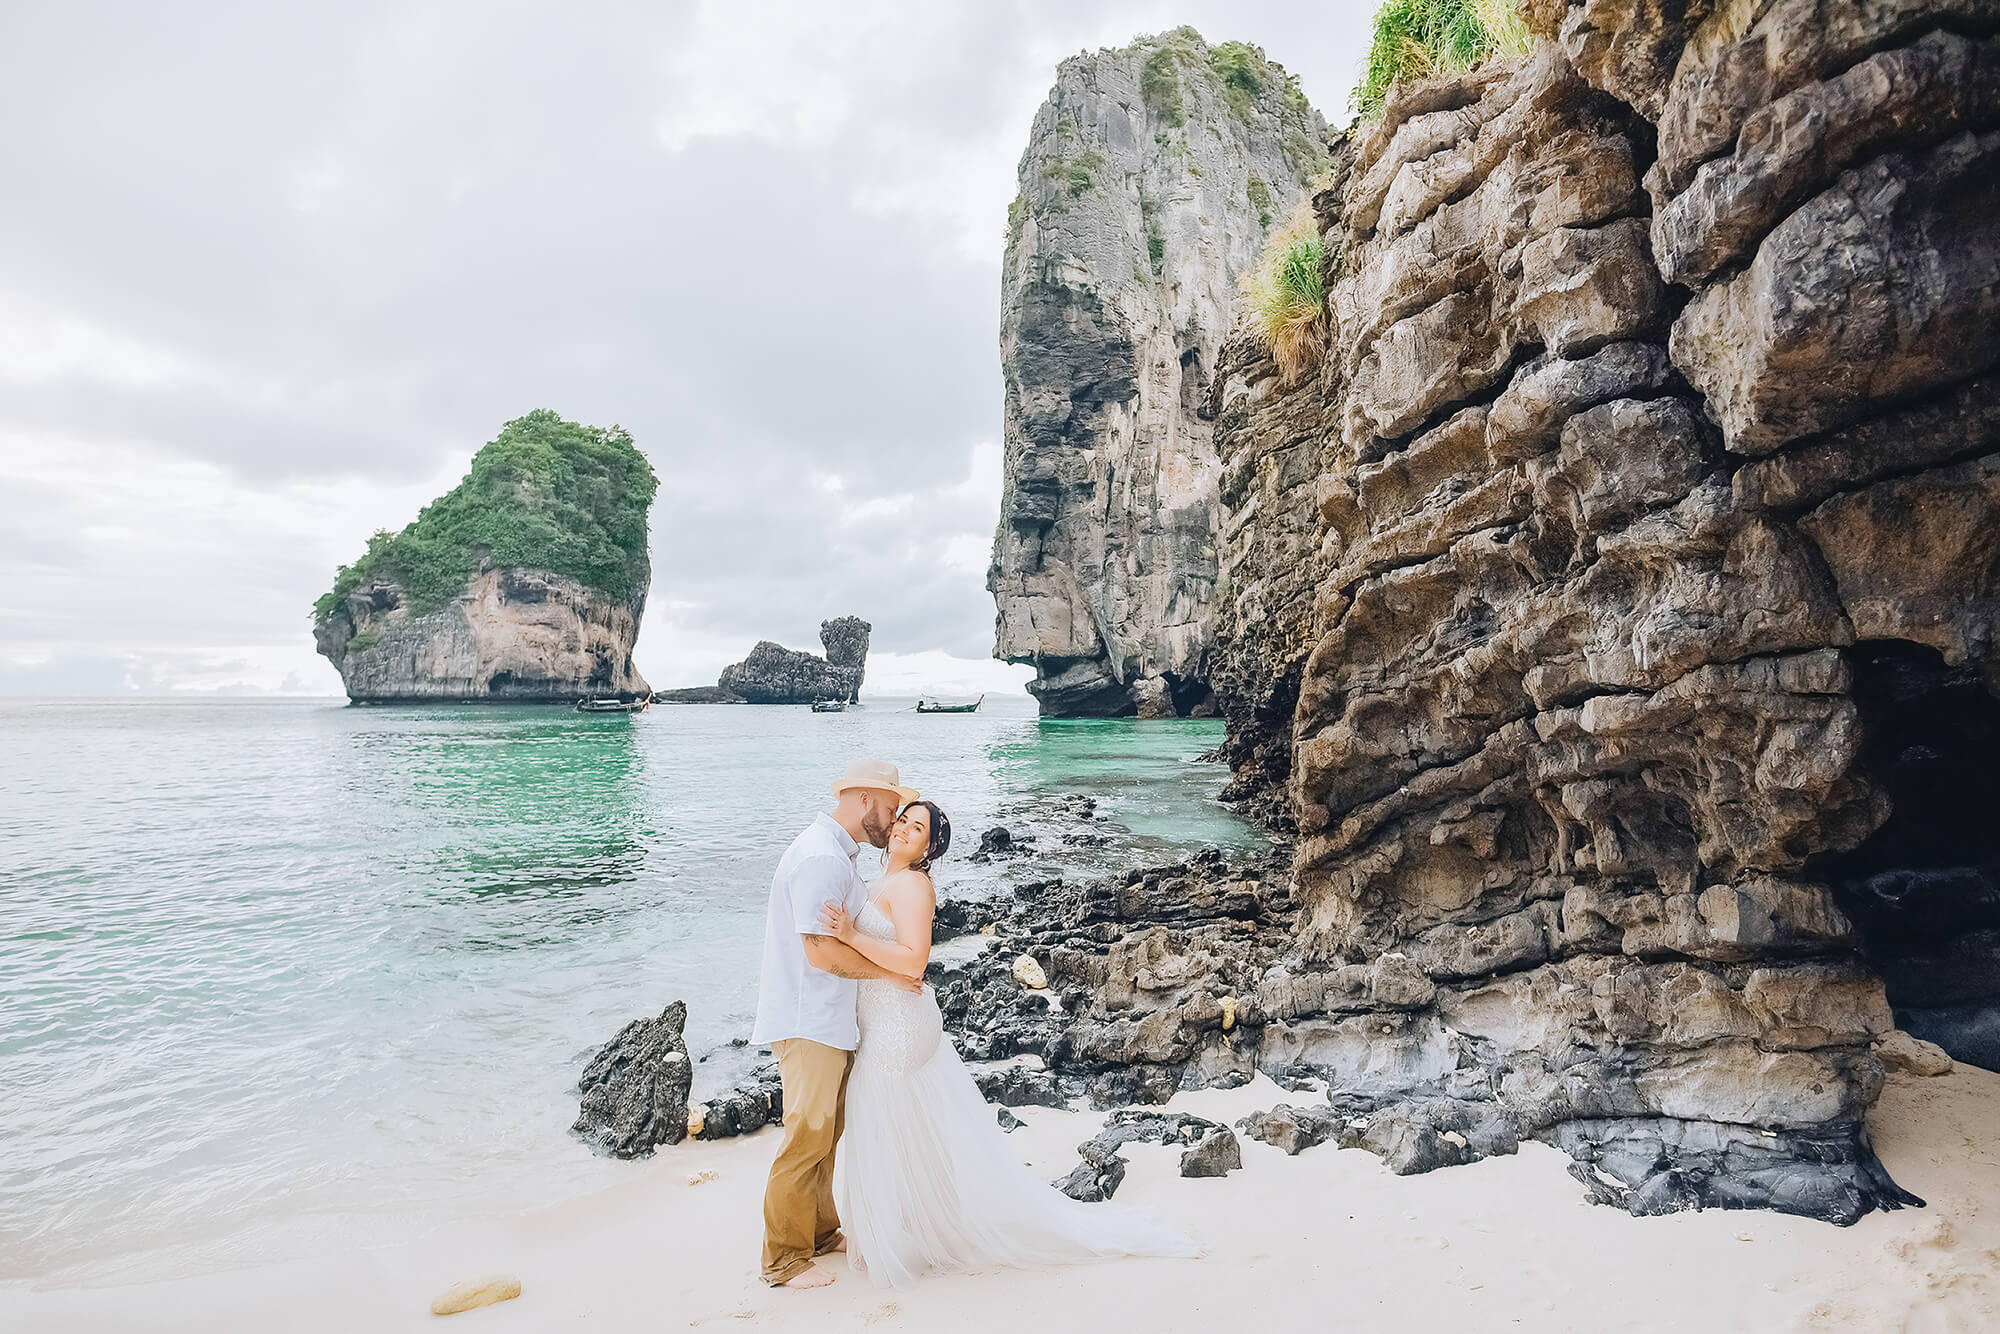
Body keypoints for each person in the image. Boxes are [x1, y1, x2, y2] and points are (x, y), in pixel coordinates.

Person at [818, 798, 1199, 1288]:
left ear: (930, 847)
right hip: (882, 1018)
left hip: (898, 1024)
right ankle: (910, 1227)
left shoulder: (912, 885)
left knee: (886, 1122)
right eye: (903, 821)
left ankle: (902, 1236)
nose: (904, 831)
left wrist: (849, 933)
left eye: (918, 828)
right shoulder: (881, 881)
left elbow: (914, 962)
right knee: (900, 1126)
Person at [750, 758, 923, 1289]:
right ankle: (783, 1259)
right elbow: (821, 952)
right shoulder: (822, 857)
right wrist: (890, 976)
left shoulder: (838, 856)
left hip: (829, 1018)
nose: (893, 822)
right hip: (809, 1019)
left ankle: (821, 1232)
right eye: (891, 808)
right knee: (806, 1136)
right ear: (865, 798)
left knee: (827, 1132)